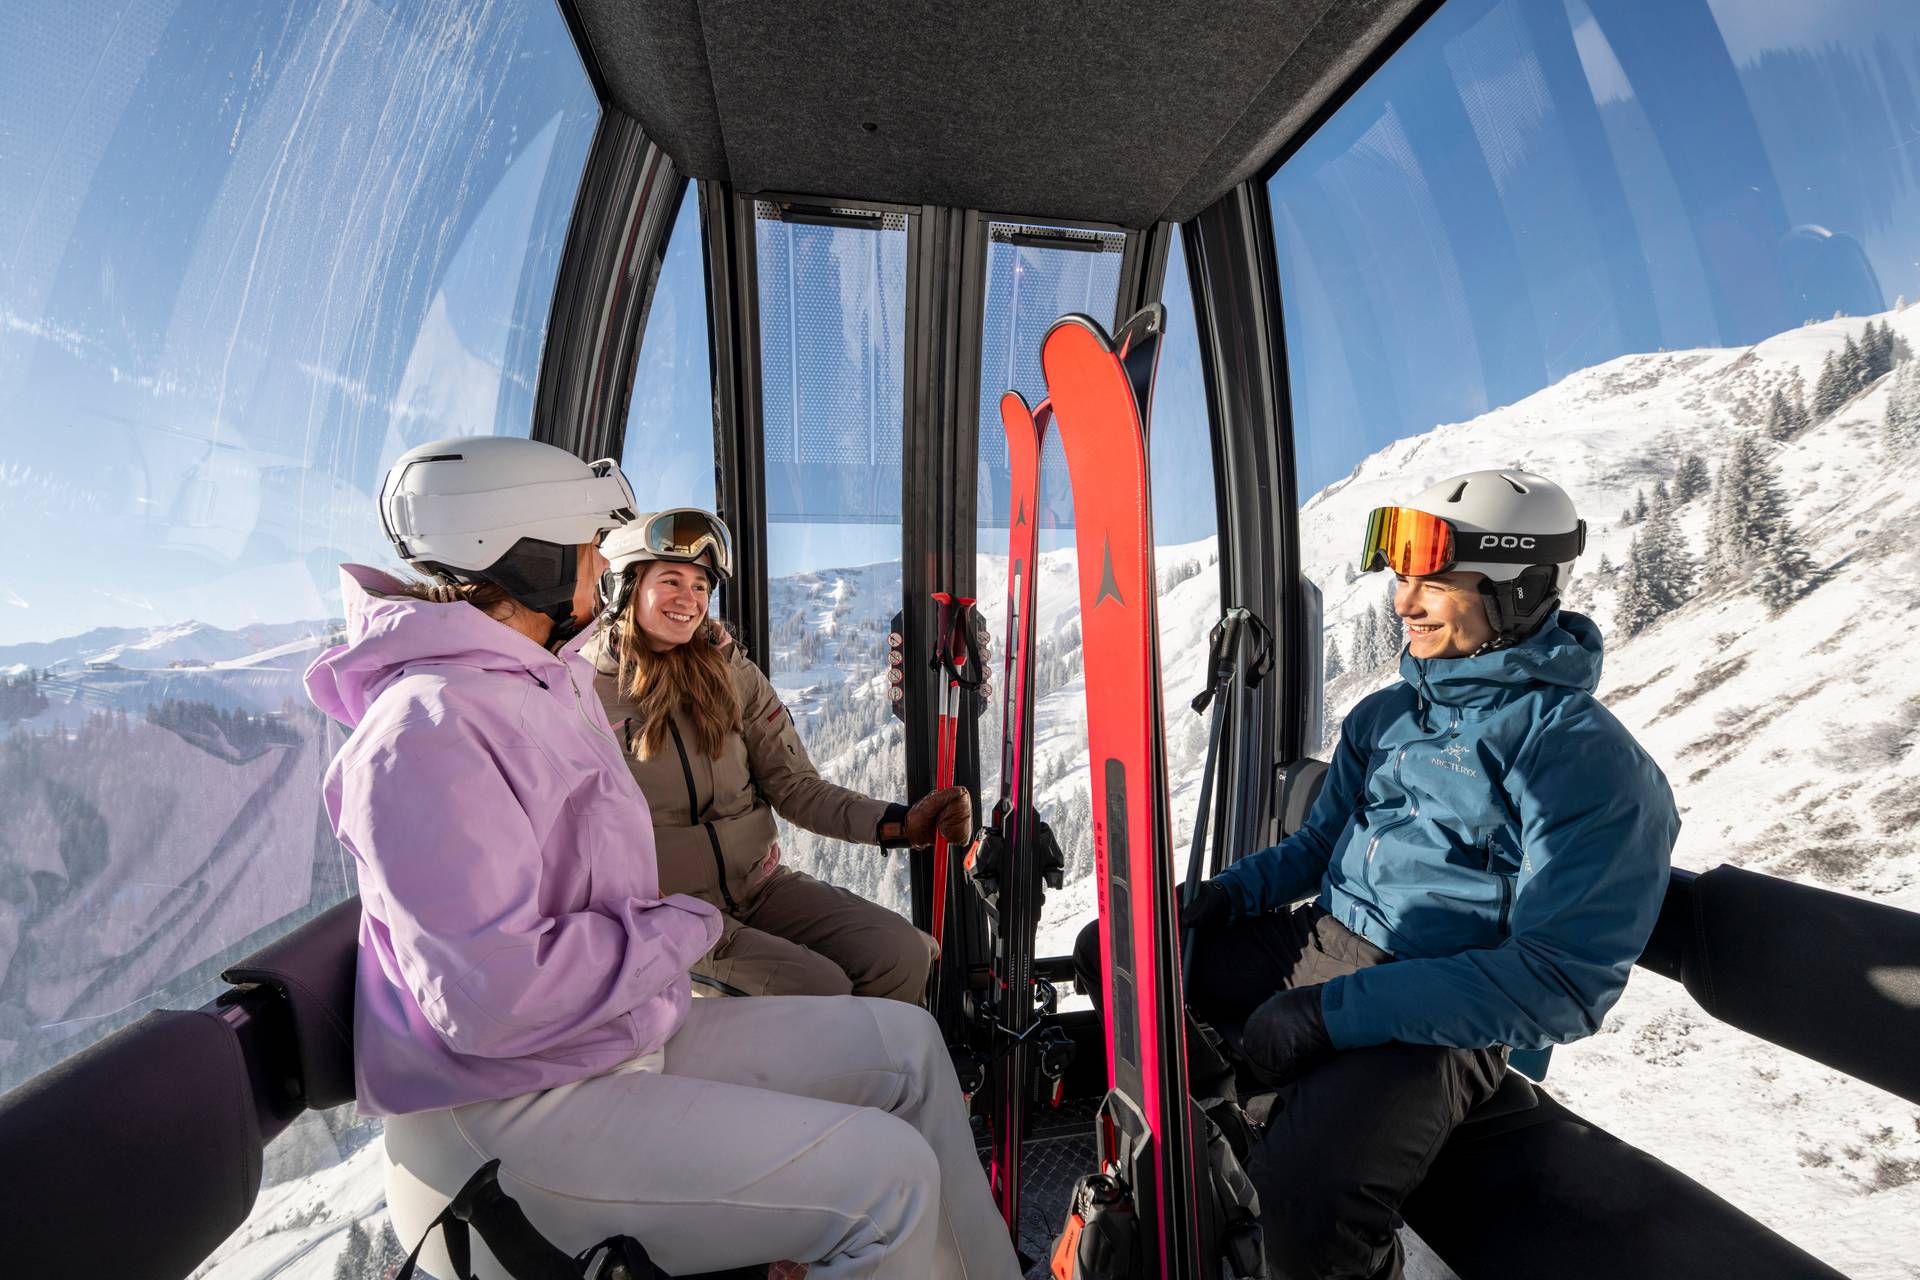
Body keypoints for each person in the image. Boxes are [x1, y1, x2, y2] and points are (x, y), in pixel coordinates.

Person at [309, 436, 1018, 1279]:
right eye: (584, 552)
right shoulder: (431, 730)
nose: (595, 574)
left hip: (610, 1031)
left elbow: (790, 785)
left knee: (910, 1048)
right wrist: (677, 931)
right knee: (891, 1177)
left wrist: (895, 825)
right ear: (521, 556)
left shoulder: (541, 682)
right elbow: (489, 999)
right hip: (508, 1103)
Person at [1073, 469, 1678, 1280]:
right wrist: (1225, 896)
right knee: (1112, 955)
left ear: (1517, 589)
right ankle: (1228, 1137)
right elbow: (1315, 850)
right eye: (1402, 577)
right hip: (1323, 943)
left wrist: (1330, 1015)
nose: (1404, 602)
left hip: (1446, 1003)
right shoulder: (1386, 714)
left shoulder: (1583, 757)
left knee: (1300, 1214)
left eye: (1434, 580)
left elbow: (1558, 983)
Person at [584, 509, 966, 1002]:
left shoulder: (731, 674)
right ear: (623, 588)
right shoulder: (583, 689)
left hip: (759, 887)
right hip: (665, 915)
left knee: (899, 952)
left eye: (701, 586)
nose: (689, 599)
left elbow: (795, 787)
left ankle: (879, 1077)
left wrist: (900, 824)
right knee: (814, 988)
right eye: (671, 580)